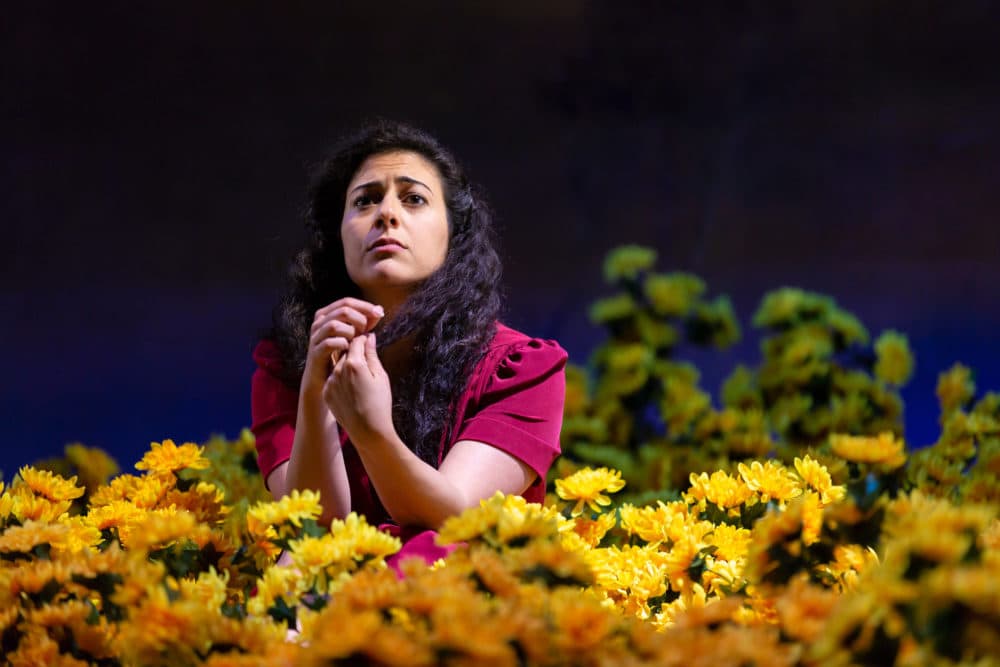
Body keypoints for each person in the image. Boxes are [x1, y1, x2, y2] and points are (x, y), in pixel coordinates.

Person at [250, 119, 568, 568]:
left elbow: (455, 519)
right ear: (337, 235)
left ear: (453, 235)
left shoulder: (522, 368)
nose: (386, 213)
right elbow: (312, 532)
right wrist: (316, 395)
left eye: (414, 198)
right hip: (328, 606)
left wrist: (370, 431)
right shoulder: (285, 367)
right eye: (365, 201)